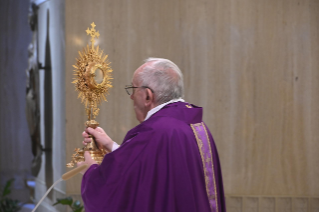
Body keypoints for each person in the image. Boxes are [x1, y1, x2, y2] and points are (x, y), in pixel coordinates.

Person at [78, 58, 226, 212]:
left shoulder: (154, 132)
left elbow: (118, 194)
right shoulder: (195, 125)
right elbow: (153, 169)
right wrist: (111, 145)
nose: (131, 97)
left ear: (148, 95)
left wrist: (90, 171)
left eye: (133, 89)